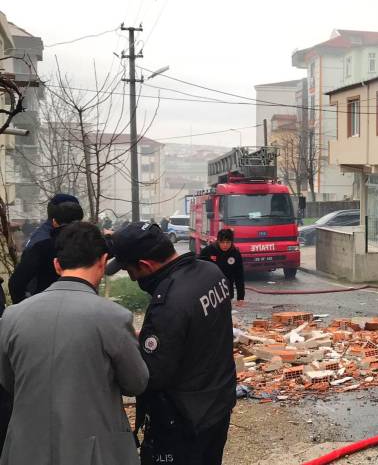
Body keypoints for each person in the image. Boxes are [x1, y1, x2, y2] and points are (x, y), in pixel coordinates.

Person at [0, 221, 149, 465]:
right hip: (94, 451)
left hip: (26, 448)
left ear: (57, 265)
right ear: (102, 262)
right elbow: (136, 382)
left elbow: (8, 380)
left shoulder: (12, 317)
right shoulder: (113, 317)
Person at [106, 222, 235, 465]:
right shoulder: (211, 272)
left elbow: (150, 377)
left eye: (130, 271)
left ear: (145, 265)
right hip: (218, 404)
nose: (132, 278)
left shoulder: (169, 303)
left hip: (183, 422)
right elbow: (198, 334)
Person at [8, 198, 84, 303]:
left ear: (54, 221)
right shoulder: (88, 246)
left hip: (45, 304)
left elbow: (16, 283)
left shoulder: (41, 245)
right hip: (80, 303)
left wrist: (24, 307)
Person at [199, 228, 245, 305]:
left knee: (225, 314)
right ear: (218, 241)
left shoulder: (235, 253)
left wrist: (240, 297)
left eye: (228, 242)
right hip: (210, 290)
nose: (225, 245)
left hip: (227, 290)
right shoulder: (209, 250)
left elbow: (239, 276)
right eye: (222, 242)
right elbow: (199, 268)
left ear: (232, 242)